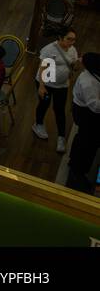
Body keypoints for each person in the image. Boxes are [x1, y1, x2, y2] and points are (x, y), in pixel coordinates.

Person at [34, 30, 79, 152]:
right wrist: (42, 86)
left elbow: (73, 67)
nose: (72, 42)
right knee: (44, 104)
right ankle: (38, 124)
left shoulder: (72, 50)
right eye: (69, 39)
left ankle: (61, 137)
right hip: (47, 83)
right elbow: (42, 68)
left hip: (62, 85)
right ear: (60, 37)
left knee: (59, 110)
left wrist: (76, 64)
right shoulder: (49, 49)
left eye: (73, 39)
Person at [65, 52, 100, 191]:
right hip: (85, 114)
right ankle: (77, 170)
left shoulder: (93, 75)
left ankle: (76, 163)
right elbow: (95, 106)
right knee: (87, 141)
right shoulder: (87, 81)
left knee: (85, 139)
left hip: (88, 112)